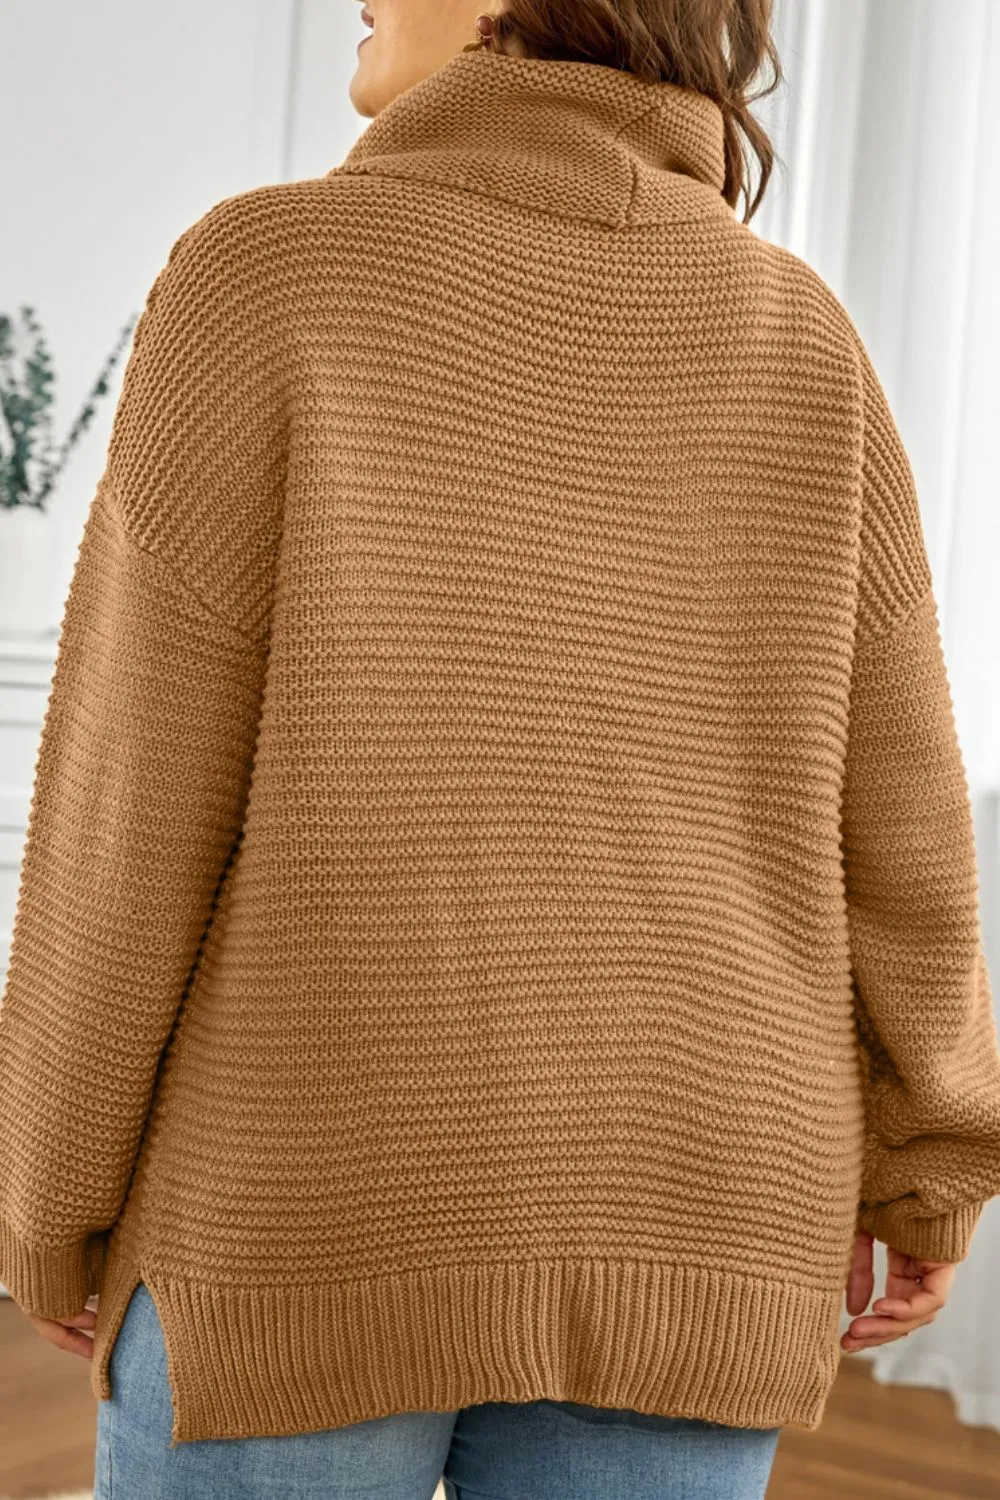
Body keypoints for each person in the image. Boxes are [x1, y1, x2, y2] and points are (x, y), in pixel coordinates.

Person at [1, 2, 999, 1497]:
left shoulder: (263, 274)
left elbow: (125, 815)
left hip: (305, 1205)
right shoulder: (804, 337)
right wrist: (928, 1170)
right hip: (699, 1201)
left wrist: (49, 1193)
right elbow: (908, 833)